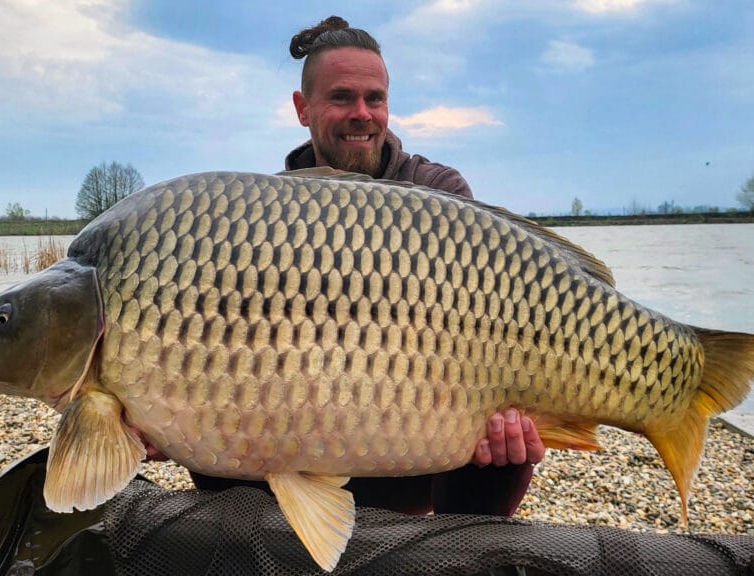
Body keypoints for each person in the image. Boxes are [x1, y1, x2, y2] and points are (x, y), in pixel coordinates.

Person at [186, 16, 545, 518]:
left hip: (419, 454)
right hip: (292, 442)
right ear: (302, 108)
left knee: (508, 439)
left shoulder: (438, 194)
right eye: (342, 98)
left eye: (374, 99)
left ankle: (445, 544)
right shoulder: (266, 215)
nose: (362, 114)